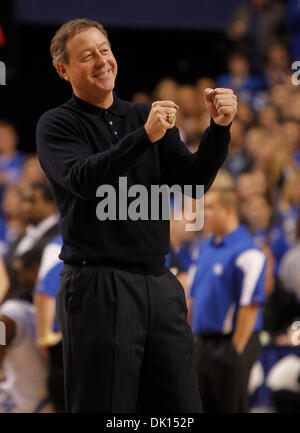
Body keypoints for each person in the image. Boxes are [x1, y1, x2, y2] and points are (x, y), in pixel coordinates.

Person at [36, 18, 237, 413]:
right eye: (87, 55)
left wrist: (219, 128)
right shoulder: (57, 124)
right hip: (98, 283)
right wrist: (144, 137)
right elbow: (83, 179)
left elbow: (193, 181)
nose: (101, 60)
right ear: (63, 70)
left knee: (180, 408)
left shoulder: (144, 116)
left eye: (104, 50)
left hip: (159, 283)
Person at [188, 188, 266, 413]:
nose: (206, 214)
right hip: (203, 343)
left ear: (229, 210)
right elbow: (193, 296)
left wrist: (234, 353)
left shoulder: (248, 252)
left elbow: (249, 306)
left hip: (230, 344)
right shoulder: (203, 248)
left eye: (211, 207)